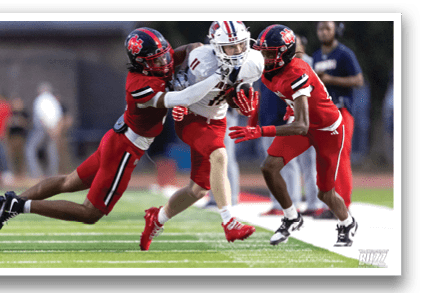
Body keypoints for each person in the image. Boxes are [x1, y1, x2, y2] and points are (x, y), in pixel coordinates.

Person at [0, 27, 225, 235]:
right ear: (141, 62)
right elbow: (183, 97)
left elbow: (195, 46)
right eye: (157, 60)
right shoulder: (140, 84)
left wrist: (213, 54)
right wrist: (220, 76)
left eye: (165, 56)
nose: (165, 63)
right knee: (90, 213)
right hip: (126, 148)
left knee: (68, 182)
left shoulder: (161, 59)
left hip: (116, 138)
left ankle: (13, 202)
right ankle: (18, 206)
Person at [228, 24, 358, 247]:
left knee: (325, 194)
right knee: (269, 167)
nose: (263, 57)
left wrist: (259, 130)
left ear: (284, 53)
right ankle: (291, 217)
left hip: (327, 129)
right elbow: (236, 79)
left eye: (269, 53)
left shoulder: (297, 72)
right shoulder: (266, 68)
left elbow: (301, 126)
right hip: (304, 122)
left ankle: (347, 223)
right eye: (262, 51)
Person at [140, 21, 263, 250]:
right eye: (230, 47)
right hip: (191, 118)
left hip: (217, 120)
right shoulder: (202, 61)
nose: (237, 51)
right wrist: (211, 81)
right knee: (220, 155)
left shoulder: (254, 61)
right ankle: (229, 221)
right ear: (216, 47)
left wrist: (239, 102)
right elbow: (184, 94)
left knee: (197, 190)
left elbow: (229, 95)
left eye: (240, 45)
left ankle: (156, 219)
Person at [312, 21, 364, 217]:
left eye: (328, 28)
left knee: (341, 156)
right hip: (323, 114)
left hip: (341, 110)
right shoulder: (316, 56)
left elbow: (359, 80)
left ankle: (344, 205)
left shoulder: (344, 53)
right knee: (326, 159)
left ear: (336, 31)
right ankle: (331, 204)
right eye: (321, 28)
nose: (324, 32)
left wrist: (331, 80)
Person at [25, 82, 63, 179]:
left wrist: (49, 130)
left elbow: (41, 117)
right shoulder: (53, 100)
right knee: (51, 150)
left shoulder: (40, 99)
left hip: (42, 128)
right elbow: (59, 117)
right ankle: (53, 174)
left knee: (30, 149)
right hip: (53, 128)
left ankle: (36, 174)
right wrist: (56, 131)